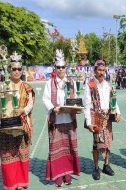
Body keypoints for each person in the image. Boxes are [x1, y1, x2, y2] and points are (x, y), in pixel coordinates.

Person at [43, 49, 80, 187]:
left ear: (66, 68)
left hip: (69, 120)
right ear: (55, 68)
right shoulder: (49, 83)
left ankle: (67, 173)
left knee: (69, 147)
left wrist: (75, 105)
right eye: (58, 67)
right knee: (56, 149)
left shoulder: (71, 82)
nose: (60, 69)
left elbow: (75, 98)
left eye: (63, 67)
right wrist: (53, 108)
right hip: (57, 121)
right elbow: (45, 99)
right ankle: (58, 175)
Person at [0, 52, 35, 190]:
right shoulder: (3, 85)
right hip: (5, 126)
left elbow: (31, 104)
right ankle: (10, 184)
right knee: (7, 155)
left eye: (19, 69)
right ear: (9, 69)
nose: (17, 71)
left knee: (22, 154)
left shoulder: (26, 87)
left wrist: (23, 110)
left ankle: (21, 183)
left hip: (22, 124)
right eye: (14, 69)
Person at [83, 59, 121, 180]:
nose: (101, 72)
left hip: (107, 117)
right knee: (97, 144)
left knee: (108, 143)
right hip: (96, 118)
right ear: (95, 70)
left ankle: (106, 165)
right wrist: (88, 122)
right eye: (99, 70)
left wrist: (118, 112)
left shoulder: (107, 84)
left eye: (103, 70)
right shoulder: (90, 85)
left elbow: (113, 100)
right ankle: (96, 167)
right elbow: (87, 104)